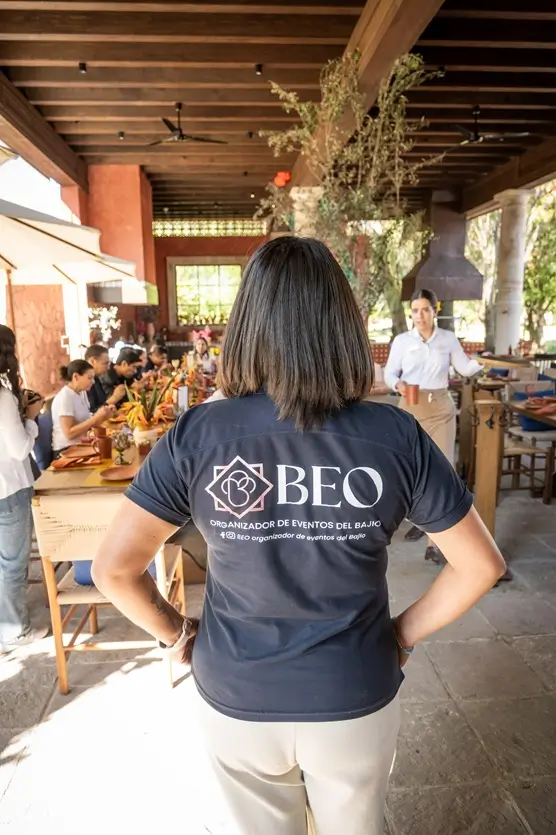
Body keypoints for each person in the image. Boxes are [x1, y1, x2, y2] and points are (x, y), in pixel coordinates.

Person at [93, 237, 505, 835]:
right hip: (353, 688)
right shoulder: (395, 436)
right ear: (342, 326)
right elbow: (481, 565)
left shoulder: (198, 435)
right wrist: (401, 635)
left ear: (247, 325)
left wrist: (177, 634)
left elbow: (112, 570)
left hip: (237, 692)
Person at [384, 288, 483, 563]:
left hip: (441, 409)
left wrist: (483, 362)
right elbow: (390, 372)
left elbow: (464, 368)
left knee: (443, 471)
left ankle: (435, 544)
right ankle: (417, 519)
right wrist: (398, 384)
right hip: (411, 407)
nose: (420, 316)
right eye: (415, 311)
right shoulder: (402, 341)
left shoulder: (448, 339)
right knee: (408, 468)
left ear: (435, 311)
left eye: (425, 310)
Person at [0, 325, 48, 651]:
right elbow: (20, 450)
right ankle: (15, 631)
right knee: (13, 565)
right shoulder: (3, 396)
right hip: (9, 489)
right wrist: (31, 418)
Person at [51, 360, 114, 454]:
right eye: (89, 378)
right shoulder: (65, 397)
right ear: (76, 377)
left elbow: (86, 423)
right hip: (66, 449)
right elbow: (69, 434)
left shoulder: (82, 393)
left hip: (80, 444)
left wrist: (104, 416)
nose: (93, 382)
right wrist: (95, 418)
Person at [84, 344, 127, 412]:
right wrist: (114, 398)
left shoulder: (96, 379)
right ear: (92, 361)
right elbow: (91, 413)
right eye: (105, 363)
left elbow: (102, 403)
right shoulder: (84, 383)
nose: (108, 367)